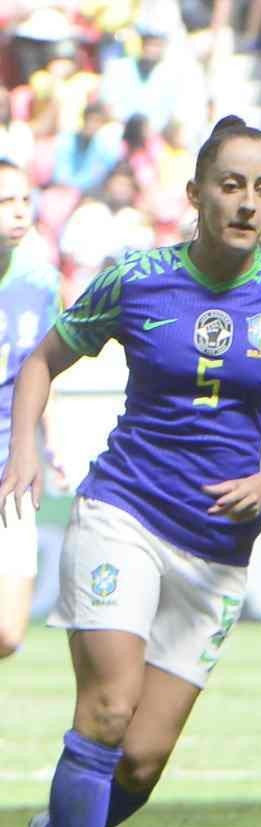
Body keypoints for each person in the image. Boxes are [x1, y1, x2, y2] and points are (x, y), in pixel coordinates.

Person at [2, 115, 261, 827]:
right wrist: (25, 446)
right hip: (123, 512)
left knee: (143, 763)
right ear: (194, 195)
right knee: (107, 711)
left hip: (218, 547)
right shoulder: (135, 278)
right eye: (231, 184)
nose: (248, 202)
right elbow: (42, 363)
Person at [0, 159, 61, 658]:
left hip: (10, 467)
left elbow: (41, 370)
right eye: (6, 202)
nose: (18, 212)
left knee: (9, 633)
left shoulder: (40, 282)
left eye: (24, 200)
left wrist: (53, 439)